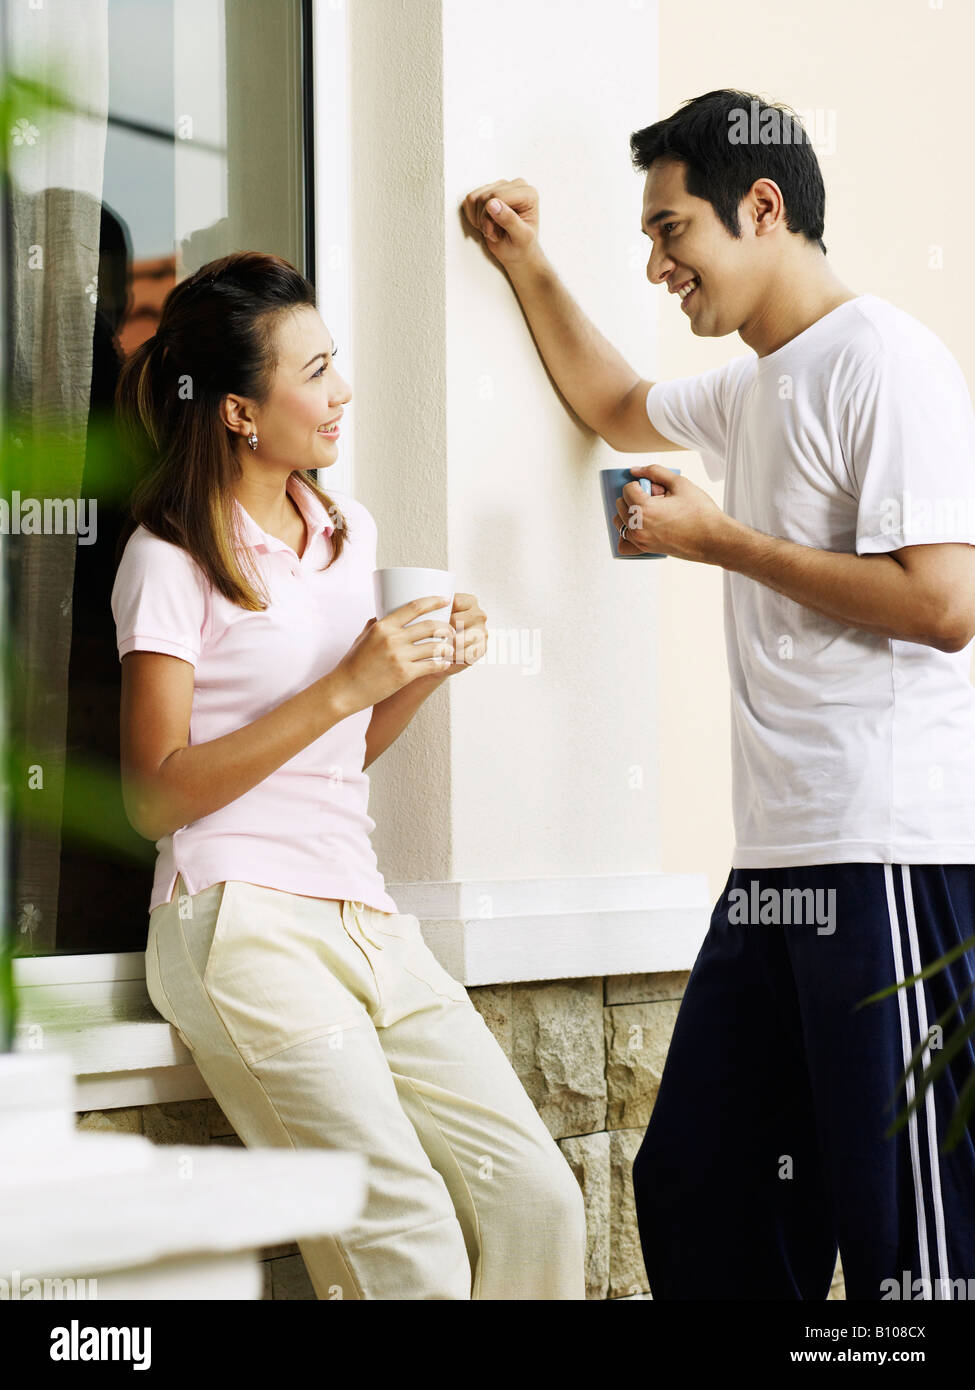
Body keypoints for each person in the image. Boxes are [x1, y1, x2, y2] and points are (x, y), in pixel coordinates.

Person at [463, 88, 975, 1301]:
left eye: (672, 231)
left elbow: (947, 604)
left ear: (761, 206)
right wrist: (526, 258)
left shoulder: (885, 361)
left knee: (907, 1237)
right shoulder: (751, 387)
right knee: (701, 1179)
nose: (658, 265)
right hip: (776, 865)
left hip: (884, 856)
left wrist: (722, 542)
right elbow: (610, 402)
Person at [110, 250, 586, 1301]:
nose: (344, 390)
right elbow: (154, 794)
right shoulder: (171, 553)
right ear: (239, 410)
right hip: (238, 922)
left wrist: (413, 675)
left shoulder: (343, 531)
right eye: (315, 370)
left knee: (539, 1199)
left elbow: (336, 756)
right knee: (406, 1237)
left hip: (361, 915)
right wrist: (346, 683)